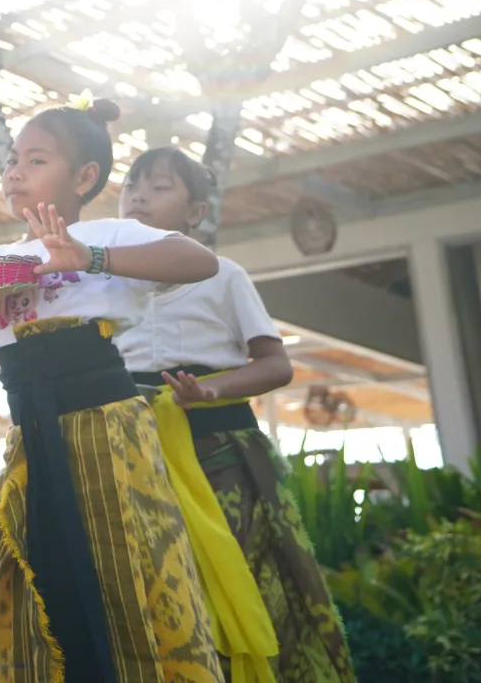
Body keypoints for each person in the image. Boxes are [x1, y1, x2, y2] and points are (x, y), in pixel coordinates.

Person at [0, 99, 227, 683]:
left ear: (84, 177)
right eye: (12, 161)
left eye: (36, 160)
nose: (15, 172)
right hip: (30, 433)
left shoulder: (103, 234)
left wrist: (91, 258)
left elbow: (199, 259)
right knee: (17, 578)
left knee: (126, 571)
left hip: (106, 427)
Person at [120, 146, 357, 682]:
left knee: (237, 575)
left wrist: (209, 390)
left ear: (195, 213)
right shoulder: (106, 283)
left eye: (159, 187)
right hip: (135, 451)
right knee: (155, 585)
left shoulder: (224, 275)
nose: (139, 196)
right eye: (132, 186)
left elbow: (275, 365)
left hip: (217, 448)